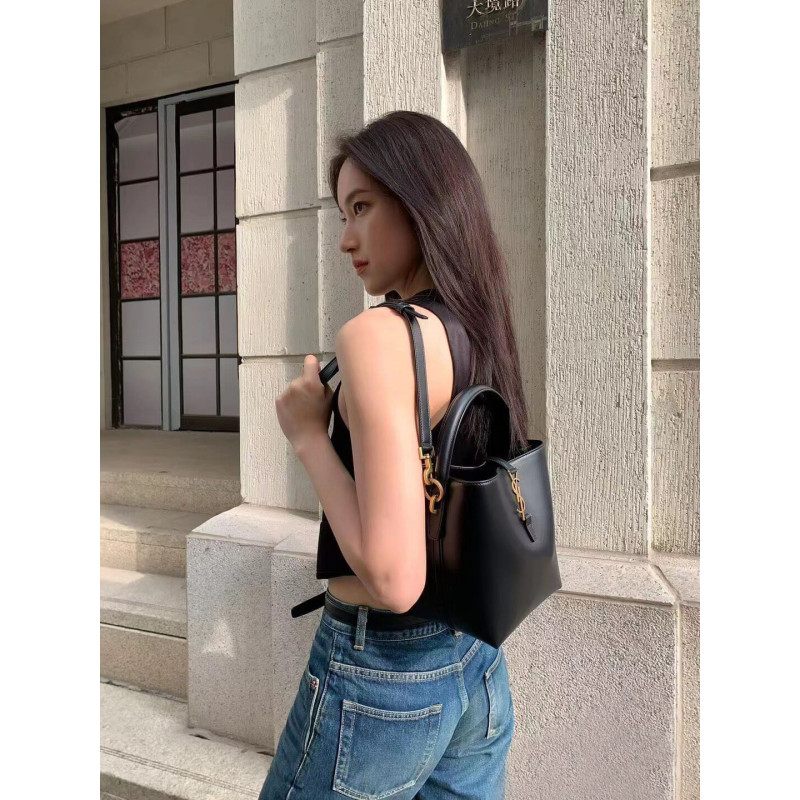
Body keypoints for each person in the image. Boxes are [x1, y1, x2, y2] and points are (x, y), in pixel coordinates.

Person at [260, 110, 530, 800]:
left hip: (381, 671)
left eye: (362, 207)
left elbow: (392, 578)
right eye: (341, 213)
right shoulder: (475, 322)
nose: (345, 237)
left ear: (420, 202)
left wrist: (308, 435)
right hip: (474, 661)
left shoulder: (380, 336)